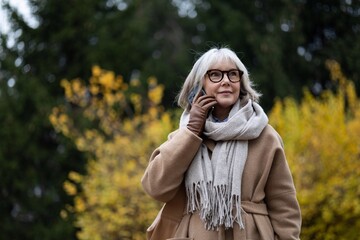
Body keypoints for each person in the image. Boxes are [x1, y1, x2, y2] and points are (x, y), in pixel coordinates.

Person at [141, 47, 301, 240]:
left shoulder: (264, 135)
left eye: (233, 74)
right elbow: (156, 188)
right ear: (200, 85)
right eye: (215, 75)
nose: (226, 81)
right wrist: (192, 131)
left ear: (241, 83)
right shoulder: (183, 135)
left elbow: (284, 204)